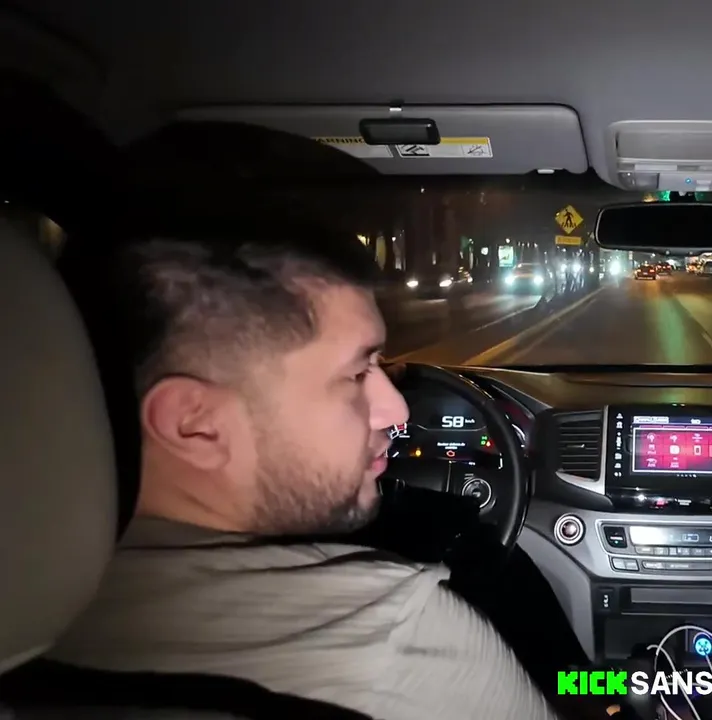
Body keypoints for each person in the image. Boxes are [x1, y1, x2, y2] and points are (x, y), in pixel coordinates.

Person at [44, 227, 577, 720]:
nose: (397, 411)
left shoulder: (34, 594)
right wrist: (605, 692)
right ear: (195, 424)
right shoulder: (395, 635)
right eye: (357, 373)